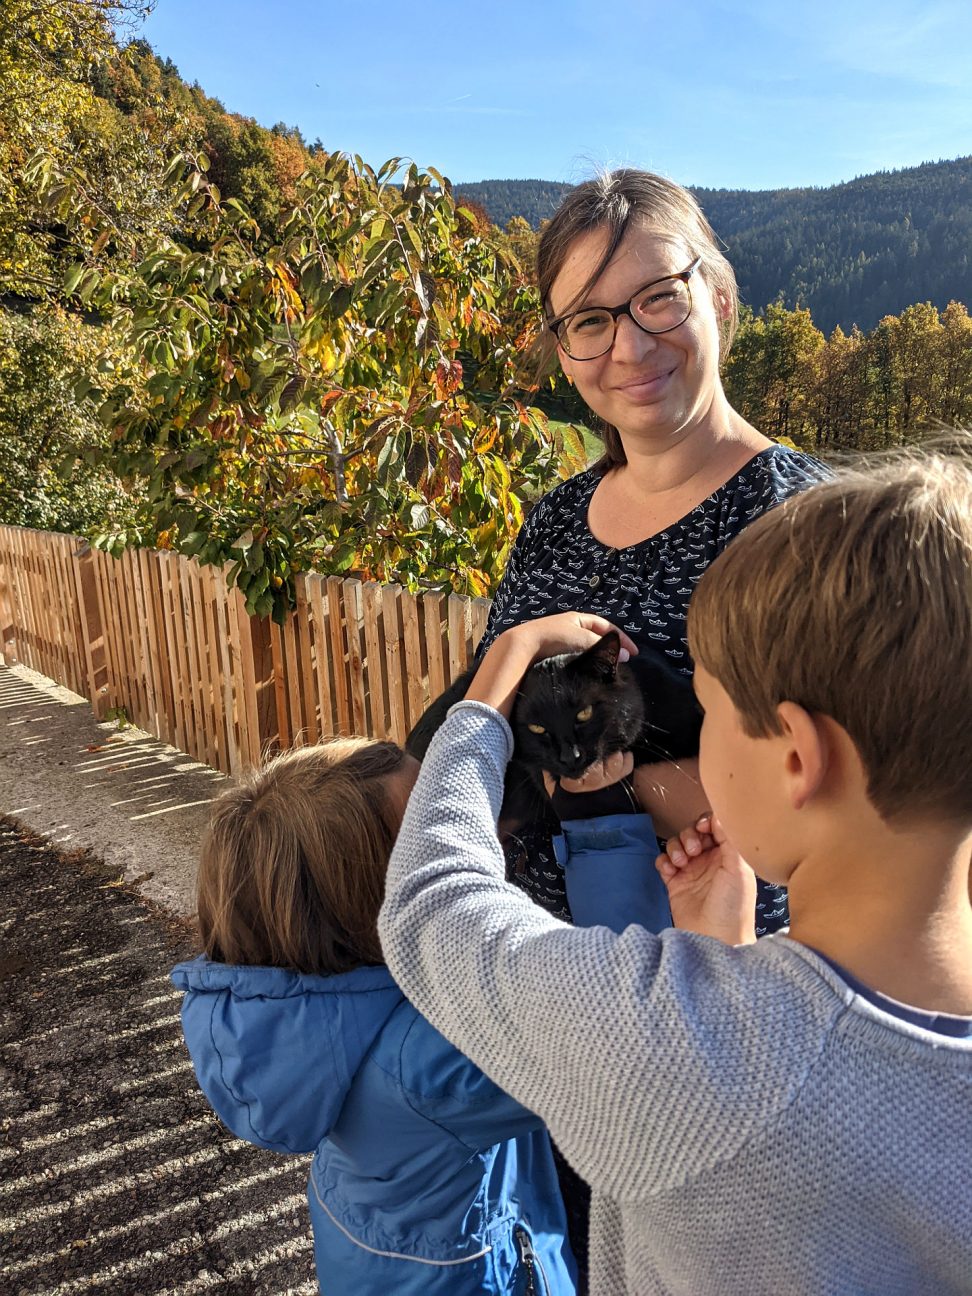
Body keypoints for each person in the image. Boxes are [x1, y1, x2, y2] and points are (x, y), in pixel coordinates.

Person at [379, 451, 972, 1296]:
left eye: (711, 702)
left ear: (797, 758)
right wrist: (722, 956)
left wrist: (496, 679)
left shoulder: (665, 1047)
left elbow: (432, 907)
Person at [170, 738, 669, 1294]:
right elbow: (628, 1017)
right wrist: (602, 830)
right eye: (436, 832)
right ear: (392, 900)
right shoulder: (434, 1061)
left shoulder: (285, 1014)